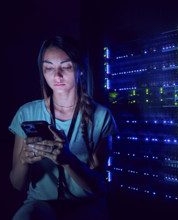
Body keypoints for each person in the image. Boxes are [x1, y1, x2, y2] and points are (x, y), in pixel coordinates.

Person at [8, 35, 118, 220]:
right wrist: (24, 161)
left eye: (65, 67)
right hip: (41, 203)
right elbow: (17, 185)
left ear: (80, 69)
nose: (56, 76)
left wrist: (68, 160)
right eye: (49, 68)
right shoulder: (26, 113)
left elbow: (96, 186)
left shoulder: (101, 116)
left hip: (87, 204)